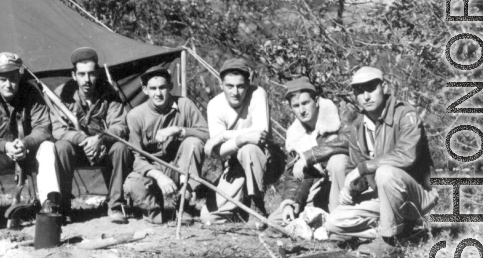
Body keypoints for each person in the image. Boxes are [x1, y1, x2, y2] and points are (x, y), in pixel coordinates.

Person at [325, 66, 438, 258]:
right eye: (359, 91)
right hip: (382, 195)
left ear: (383, 87)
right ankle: (401, 230)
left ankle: (389, 242)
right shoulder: (358, 126)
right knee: (333, 223)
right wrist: (351, 188)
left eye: (371, 88)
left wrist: (363, 168)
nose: (366, 96)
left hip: (417, 193)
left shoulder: (405, 114)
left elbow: (406, 155)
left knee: (385, 172)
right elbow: (358, 173)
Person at [0, 52, 62, 228]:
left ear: (19, 76)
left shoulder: (31, 93)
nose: (8, 84)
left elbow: (43, 128)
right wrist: (4, 146)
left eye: (12, 78)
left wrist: (25, 142)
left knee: (48, 146)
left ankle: (49, 207)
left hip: (28, 153)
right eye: (2, 79)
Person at [53, 47, 133, 224]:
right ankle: (64, 206)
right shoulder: (62, 94)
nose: (87, 80)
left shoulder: (110, 93)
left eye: (91, 74)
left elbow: (120, 125)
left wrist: (100, 139)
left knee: (121, 147)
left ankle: (116, 204)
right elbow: (58, 129)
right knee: (61, 147)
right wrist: (84, 140)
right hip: (77, 151)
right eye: (81, 74)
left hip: (104, 148)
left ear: (97, 73)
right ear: (74, 75)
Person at [123, 66, 209, 224]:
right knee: (132, 184)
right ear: (145, 90)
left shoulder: (184, 105)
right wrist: (159, 176)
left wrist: (179, 130)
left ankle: (184, 204)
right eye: (153, 88)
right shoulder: (135, 116)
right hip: (153, 169)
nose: (158, 93)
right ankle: (154, 210)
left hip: (179, 167)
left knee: (193, 143)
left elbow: (206, 134)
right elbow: (137, 158)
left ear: (170, 87)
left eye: (162, 87)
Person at [269, 77, 349, 228]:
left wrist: (309, 156)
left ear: (317, 100)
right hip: (318, 189)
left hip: (346, 185)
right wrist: (289, 203)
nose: (302, 110)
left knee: (337, 161)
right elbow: (294, 174)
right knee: (276, 222)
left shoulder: (339, 114)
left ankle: (340, 223)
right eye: (296, 106)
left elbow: (348, 141)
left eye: (305, 103)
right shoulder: (295, 135)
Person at [203, 57, 273, 228]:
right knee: (208, 216)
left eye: (240, 86)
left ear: (248, 84)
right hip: (234, 166)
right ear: (221, 85)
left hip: (266, 161)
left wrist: (225, 135)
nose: (235, 92)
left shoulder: (257, 93)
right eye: (229, 86)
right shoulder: (214, 105)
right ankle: (242, 208)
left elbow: (261, 133)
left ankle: (257, 205)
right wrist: (241, 138)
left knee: (248, 149)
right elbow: (219, 152)